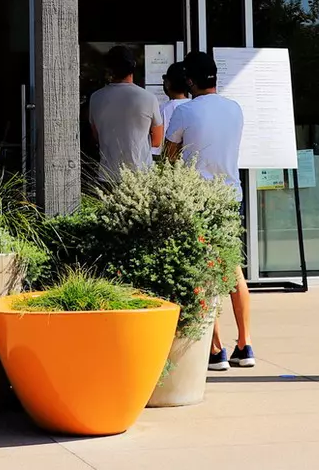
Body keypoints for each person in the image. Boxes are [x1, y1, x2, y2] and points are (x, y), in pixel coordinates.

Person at [162, 50, 253, 372]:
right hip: (231, 195)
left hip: (198, 199)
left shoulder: (185, 111)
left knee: (203, 271)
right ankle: (245, 343)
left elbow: (169, 158)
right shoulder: (235, 109)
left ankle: (217, 350)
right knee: (233, 270)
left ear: (189, 80)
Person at [87, 45, 162, 183]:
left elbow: (96, 136)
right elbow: (157, 141)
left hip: (108, 174)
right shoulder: (148, 98)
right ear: (133, 66)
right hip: (141, 174)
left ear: (109, 69)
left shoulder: (96, 98)